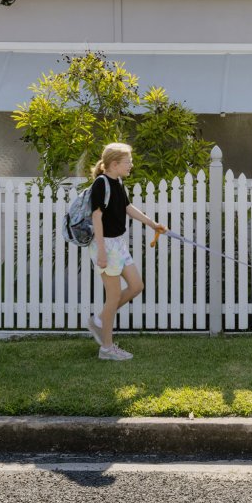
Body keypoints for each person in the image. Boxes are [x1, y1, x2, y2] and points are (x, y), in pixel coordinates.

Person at [86, 141, 166, 361]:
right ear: (113, 164)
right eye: (127, 162)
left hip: (118, 244)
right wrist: (101, 251)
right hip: (106, 246)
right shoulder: (101, 184)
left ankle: (99, 320)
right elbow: (96, 217)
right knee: (112, 298)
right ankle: (107, 348)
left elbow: (127, 208)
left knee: (136, 286)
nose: (131, 165)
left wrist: (152, 224)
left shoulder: (117, 181)